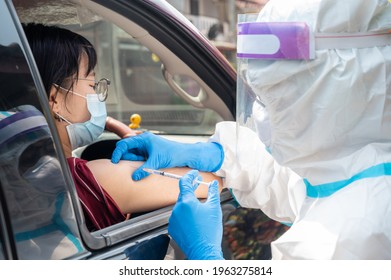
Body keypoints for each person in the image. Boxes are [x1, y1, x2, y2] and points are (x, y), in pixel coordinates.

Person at [111, 0, 391, 259]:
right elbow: (294, 185)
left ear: (335, 96)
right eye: (261, 98)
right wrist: (220, 155)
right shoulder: (360, 173)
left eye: (277, 101)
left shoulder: (357, 233)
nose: (262, 116)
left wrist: (206, 258)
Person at [22, 23, 222, 232]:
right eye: (92, 85)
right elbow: (215, 183)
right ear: (54, 100)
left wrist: (116, 127)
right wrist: (208, 153)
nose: (98, 95)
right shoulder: (87, 178)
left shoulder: (26, 175)